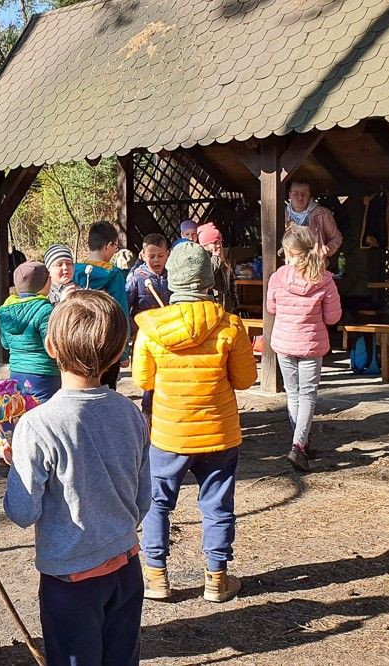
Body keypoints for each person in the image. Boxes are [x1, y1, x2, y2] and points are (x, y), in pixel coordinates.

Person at [5, 291, 150, 666]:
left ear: (50, 347)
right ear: (117, 355)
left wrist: (17, 464)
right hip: (126, 565)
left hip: (71, 579)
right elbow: (143, 501)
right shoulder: (131, 413)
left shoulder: (37, 425)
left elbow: (22, 512)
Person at [132, 241, 257, 603]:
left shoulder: (151, 328)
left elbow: (143, 380)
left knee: (158, 502)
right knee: (217, 504)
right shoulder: (230, 325)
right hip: (219, 432)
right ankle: (216, 579)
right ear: (208, 281)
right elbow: (245, 379)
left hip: (169, 433)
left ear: (171, 280)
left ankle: (156, 577)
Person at [267, 226, 342, 472]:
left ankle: (301, 441)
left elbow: (271, 308)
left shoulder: (277, 277)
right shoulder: (325, 280)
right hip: (311, 343)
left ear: (288, 251)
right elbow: (332, 318)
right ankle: (299, 445)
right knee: (307, 394)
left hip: (284, 342)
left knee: (293, 393)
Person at [74, 221, 131, 389]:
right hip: (107, 344)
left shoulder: (74, 271)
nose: (114, 251)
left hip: (79, 341)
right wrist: (124, 352)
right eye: (115, 247)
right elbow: (121, 312)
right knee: (106, 390)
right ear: (108, 246)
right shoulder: (114, 275)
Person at [0, 261, 60, 402]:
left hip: (16, 372)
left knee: (23, 409)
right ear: (44, 283)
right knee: (45, 411)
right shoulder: (45, 310)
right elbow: (51, 347)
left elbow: (5, 344)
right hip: (43, 373)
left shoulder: (6, 310)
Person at [126, 234, 171, 416]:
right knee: (149, 375)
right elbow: (126, 306)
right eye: (151, 256)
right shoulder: (136, 277)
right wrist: (131, 333)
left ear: (168, 254)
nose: (156, 260)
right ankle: (147, 412)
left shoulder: (173, 276)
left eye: (160, 256)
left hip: (168, 334)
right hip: (145, 336)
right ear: (143, 255)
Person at [285, 181, 343, 256]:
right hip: (289, 261)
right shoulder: (281, 214)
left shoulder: (322, 213)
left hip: (314, 261)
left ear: (309, 195)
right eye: (296, 193)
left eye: (305, 193)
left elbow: (336, 237)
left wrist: (327, 250)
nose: (300, 197)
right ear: (289, 195)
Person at [198, 222, 238, 313]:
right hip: (212, 304)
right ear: (205, 245)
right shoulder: (201, 259)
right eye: (214, 243)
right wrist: (215, 258)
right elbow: (207, 275)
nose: (219, 245)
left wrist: (234, 300)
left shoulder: (224, 259)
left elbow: (231, 281)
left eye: (220, 242)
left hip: (226, 304)